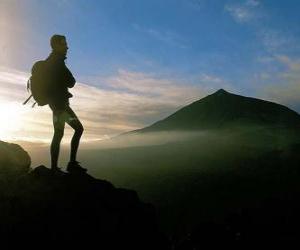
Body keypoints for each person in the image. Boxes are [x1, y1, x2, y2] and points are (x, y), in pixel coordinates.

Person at [47, 34, 86, 173]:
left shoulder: (50, 61)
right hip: (61, 107)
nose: (67, 47)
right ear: (56, 45)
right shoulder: (57, 62)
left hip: (56, 106)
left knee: (58, 133)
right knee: (78, 129)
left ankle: (54, 168)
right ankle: (71, 164)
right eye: (64, 44)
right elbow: (71, 82)